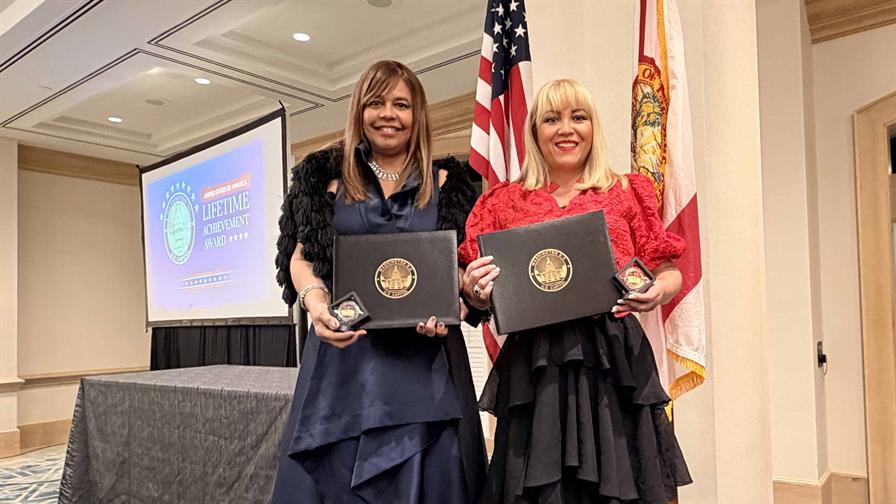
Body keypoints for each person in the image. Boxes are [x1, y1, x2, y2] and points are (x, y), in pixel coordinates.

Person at [459, 79, 692, 504]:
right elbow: (472, 287)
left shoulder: (627, 191)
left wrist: (657, 291)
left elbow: (669, 270)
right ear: (535, 131)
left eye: (577, 117)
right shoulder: (502, 202)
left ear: (592, 127)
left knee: (618, 481)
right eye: (552, 119)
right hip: (535, 364)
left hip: (612, 359)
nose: (566, 129)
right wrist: (474, 289)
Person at [272, 60, 486, 504]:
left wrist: (463, 297)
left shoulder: (452, 184)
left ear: (417, 113)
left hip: (427, 369)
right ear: (359, 110)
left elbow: (461, 271)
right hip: (344, 364)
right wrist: (315, 304)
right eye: (376, 103)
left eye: (401, 105)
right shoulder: (323, 179)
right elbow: (301, 256)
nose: (389, 114)